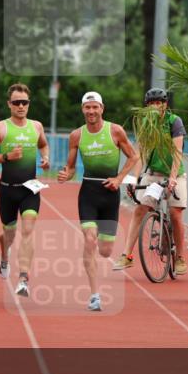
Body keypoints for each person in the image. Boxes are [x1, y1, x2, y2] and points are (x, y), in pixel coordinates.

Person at [57, 91, 138, 311]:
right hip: (88, 193)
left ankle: (99, 263)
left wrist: (119, 178)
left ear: (102, 108)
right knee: (90, 240)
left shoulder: (115, 130)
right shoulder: (76, 135)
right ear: (82, 109)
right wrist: (66, 174)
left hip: (110, 194)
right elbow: (71, 167)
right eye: (87, 107)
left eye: (95, 107)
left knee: (105, 250)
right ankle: (94, 295)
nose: (91, 111)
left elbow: (134, 156)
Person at [0, 84, 50, 297]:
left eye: (24, 102)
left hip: (30, 189)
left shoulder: (37, 126)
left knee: (28, 229)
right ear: (9, 104)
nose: (21, 106)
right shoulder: (0, 128)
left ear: (29, 104)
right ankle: (4, 256)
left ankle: (23, 278)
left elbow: (43, 144)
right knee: (9, 235)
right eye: (16, 102)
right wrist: (6, 157)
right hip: (7, 191)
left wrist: (46, 158)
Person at [113, 88, 188, 276]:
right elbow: (140, 153)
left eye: (159, 102)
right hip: (153, 174)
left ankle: (180, 257)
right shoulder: (145, 124)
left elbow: (177, 153)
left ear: (165, 105)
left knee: (175, 213)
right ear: (146, 107)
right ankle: (126, 255)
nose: (155, 106)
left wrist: (172, 178)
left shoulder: (174, 122)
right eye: (151, 103)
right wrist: (134, 178)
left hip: (175, 174)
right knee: (140, 209)